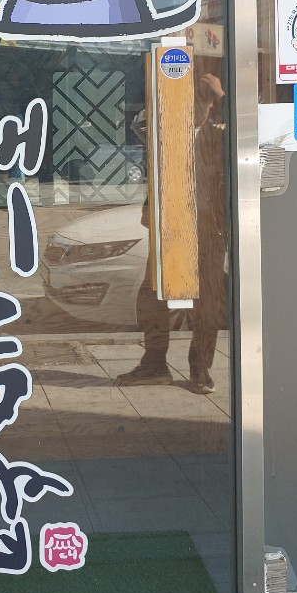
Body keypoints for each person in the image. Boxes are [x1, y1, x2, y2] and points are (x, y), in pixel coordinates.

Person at [116, 71, 226, 394]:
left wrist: (220, 95)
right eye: (186, 100)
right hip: (168, 220)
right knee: (153, 294)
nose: (192, 107)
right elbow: (139, 124)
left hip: (207, 226)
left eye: (198, 101)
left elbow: (241, 126)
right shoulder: (162, 128)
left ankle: (200, 368)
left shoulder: (218, 132)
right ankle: (155, 363)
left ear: (209, 104)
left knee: (207, 299)